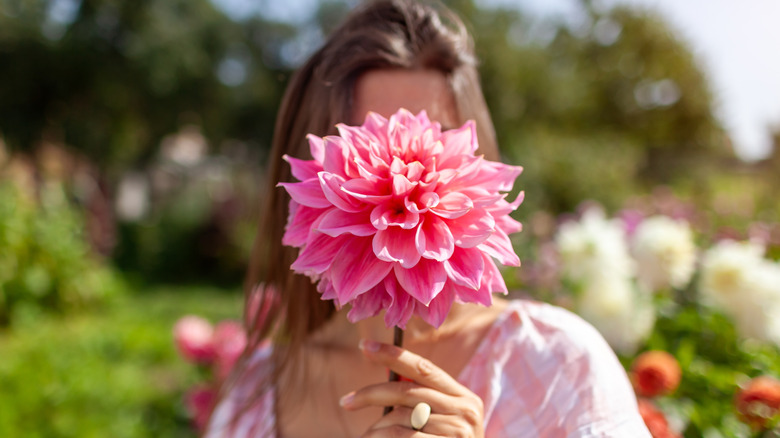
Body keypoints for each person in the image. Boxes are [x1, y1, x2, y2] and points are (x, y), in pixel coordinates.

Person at [205, 0, 652, 436]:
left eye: (433, 132)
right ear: (308, 173)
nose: (400, 160)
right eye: (366, 137)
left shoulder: (557, 362)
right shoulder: (255, 392)